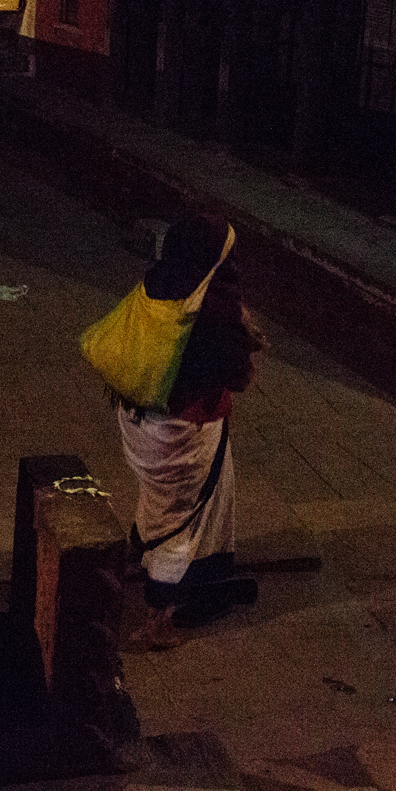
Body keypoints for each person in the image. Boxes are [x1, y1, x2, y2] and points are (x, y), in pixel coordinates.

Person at [115, 213, 266, 651]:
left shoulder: (155, 287)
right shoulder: (216, 314)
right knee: (183, 518)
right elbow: (239, 375)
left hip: (140, 426)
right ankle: (159, 616)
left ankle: (168, 571)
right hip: (186, 431)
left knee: (162, 503)